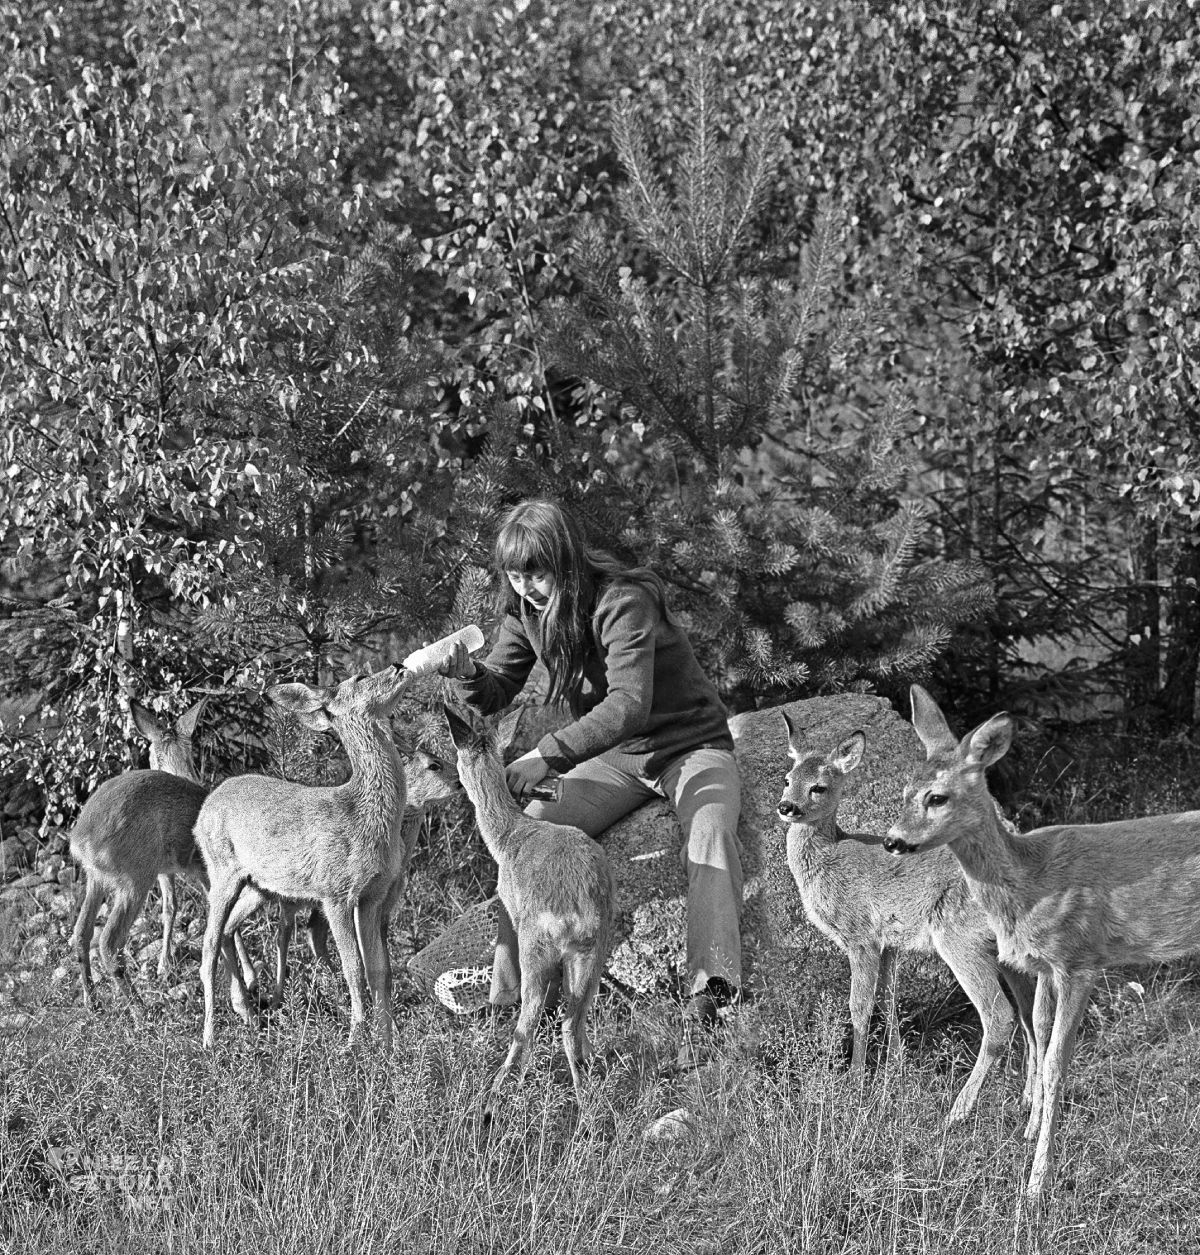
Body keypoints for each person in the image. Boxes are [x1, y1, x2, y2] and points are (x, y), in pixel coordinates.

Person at [438, 497, 743, 1028]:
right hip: (616, 761)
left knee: (712, 834)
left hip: (689, 747)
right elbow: (497, 688)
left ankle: (710, 996)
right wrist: (466, 673)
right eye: (514, 576)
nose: (526, 587)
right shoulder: (527, 611)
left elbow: (629, 704)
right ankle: (508, 1000)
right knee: (529, 836)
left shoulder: (624, 600)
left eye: (536, 573)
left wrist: (546, 756)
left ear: (566, 560)